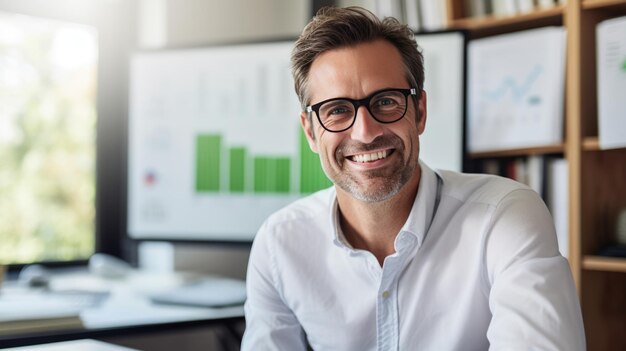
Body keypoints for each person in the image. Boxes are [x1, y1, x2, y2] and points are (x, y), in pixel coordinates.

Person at [242, 6, 585, 350]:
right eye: (337, 110)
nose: (365, 132)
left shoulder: (502, 217)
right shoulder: (279, 245)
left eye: (386, 102)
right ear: (311, 133)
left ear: (419, 111)